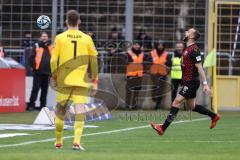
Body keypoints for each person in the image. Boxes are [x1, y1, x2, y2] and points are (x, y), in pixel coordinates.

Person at [150, 28, 220, 135]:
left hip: (191, 82)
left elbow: (200, 68)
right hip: (187, 82)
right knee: (192, 106)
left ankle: (162, 128)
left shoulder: (194, 50)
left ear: (191, 36)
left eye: (188, 31)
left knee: (176, 102)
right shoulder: (187, 49)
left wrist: (205, 84)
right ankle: (214, 116)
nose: (186, 32)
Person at [51, 10, 98, 150]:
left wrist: (54, 75)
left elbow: (54, 60)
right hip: (81, 80)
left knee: (60, 111)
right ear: (79, 22)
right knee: (80, 111)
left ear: (66, 21)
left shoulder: (60, 38)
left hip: (64, 80)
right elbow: (94, 60)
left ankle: (58, 141)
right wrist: (94, 78)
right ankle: (76, 141)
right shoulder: (87, 38)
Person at [27, 32, 52, 111]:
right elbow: (31, 58)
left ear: (48, 37)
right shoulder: (36, 45)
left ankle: (43, 106)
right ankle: (31, 105)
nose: (44, 37)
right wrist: (34, 68)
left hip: (48, 72)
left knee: (45, 90)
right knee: (35, 89)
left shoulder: (51, 46)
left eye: (46, 36)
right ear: (40, 37)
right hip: (38, 72)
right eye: (43, 36)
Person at [149, 40, 171, 109]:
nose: (160, 46)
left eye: (162, 45)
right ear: (157, 45)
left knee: (161, 89)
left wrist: (167, 63)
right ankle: (154, 98)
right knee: (155, 87)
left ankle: (158, 104)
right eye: (159, 45)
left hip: (163, 74)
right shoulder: (152, 53)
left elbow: (170, 63)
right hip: (154, 73)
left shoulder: (166, 54)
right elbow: (148, 61)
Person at [125, 41, 144, 109]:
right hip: (131, 74)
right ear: (133, 45)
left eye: (138, 45)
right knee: (129, 91)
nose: (136, 46)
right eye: (135, 45)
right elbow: (126, 61)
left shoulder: (142, 53)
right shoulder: (129, 53)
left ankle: (134, 105)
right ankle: (127, 105)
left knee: (136, 91)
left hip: (139, 74)